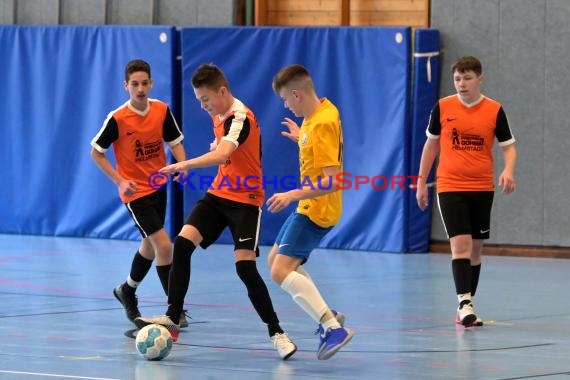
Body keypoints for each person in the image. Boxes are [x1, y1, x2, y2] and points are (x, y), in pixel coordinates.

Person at [136, 63, 298, 360]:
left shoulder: (240, 116)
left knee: (245, 268)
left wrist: (184, 163)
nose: (203, 106)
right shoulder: (220, 115)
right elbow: (228, 151)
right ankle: (173, 316)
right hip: (218, 194)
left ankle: (277, 332)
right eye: (198, 100)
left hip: (246, 201)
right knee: (182, 245)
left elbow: (223, 153)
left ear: (222, 91)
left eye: (205, 99)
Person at [416, 56, 517, 327]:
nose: (462, 84)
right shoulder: (443, 107)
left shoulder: (494, 110)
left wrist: (508, 170)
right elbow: (431, 146)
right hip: (450, 186)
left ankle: (466, 304)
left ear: (480, 79)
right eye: (458, 79)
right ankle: (464, 303)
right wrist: (421, 182)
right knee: (459, 246)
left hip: (482, 187)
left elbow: (508, 145)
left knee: (474, 251)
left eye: (468, 78)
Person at [90, 59, 188, 327]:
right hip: (135, 192)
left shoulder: (161, 110)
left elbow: (175, 142)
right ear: (126, 86)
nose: (140, 88)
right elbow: (96, 153)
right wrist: (119, 181)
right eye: (135, 84)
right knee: (164, 245)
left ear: (151, 83)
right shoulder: (118, 118)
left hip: (159, 185)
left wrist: (181, 165)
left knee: (149, 245)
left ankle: (127, 290)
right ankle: (174, 309)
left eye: (145, 83)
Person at [266, 64, 353, 360]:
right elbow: (317, 148)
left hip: (316, 208)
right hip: (311, 204)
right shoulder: (321, 113)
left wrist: (291, 194)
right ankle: (326, 313)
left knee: (280, 270)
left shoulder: (320, 124)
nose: (285, 106)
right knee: (273, 260)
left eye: (286, 100)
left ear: (296, 94)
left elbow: (332, 180)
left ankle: (332, 327)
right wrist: (300, 137)